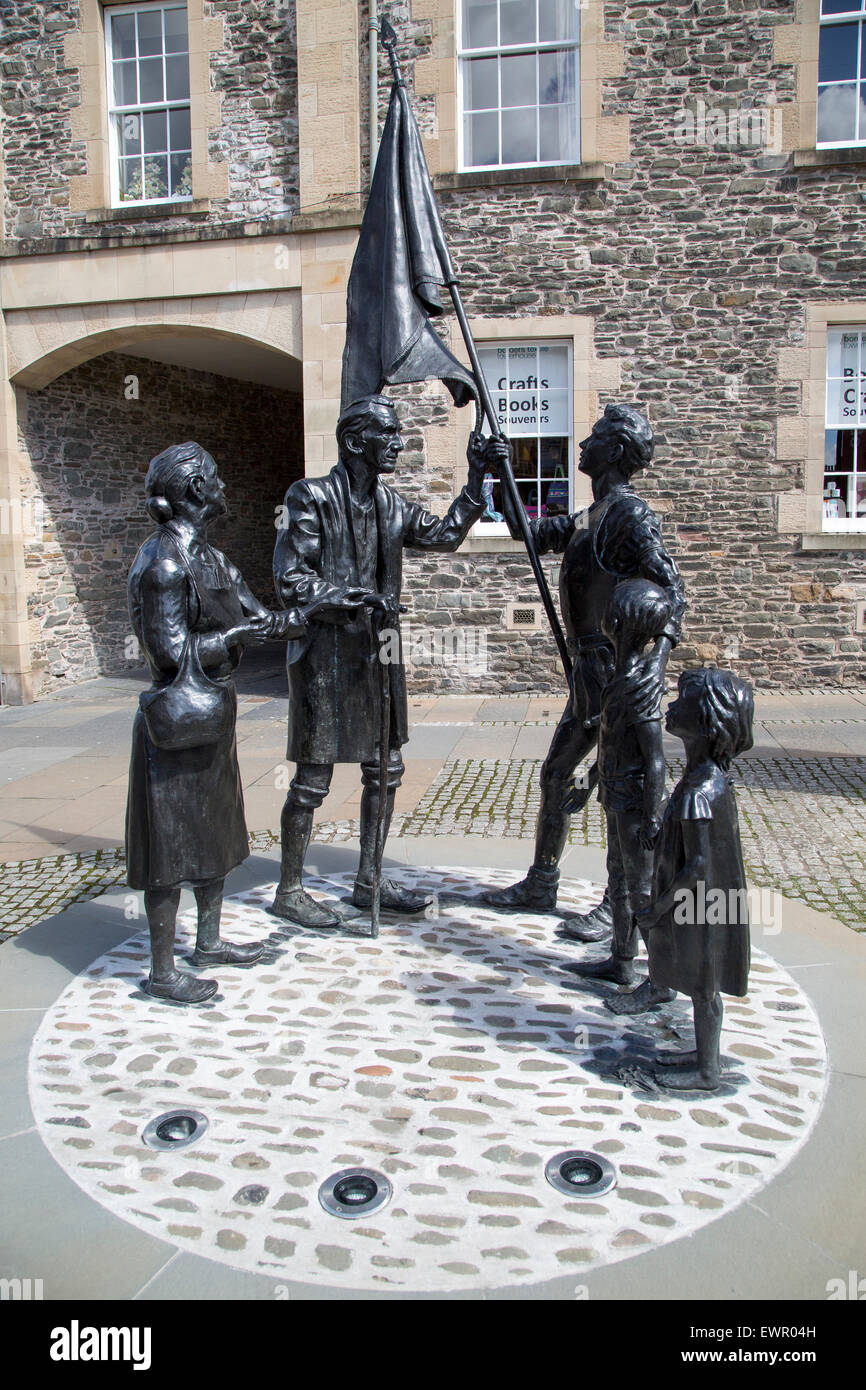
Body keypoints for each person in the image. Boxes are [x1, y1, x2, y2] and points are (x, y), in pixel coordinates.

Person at [271, 394, 506, 928]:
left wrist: (475, 478)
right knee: (312, 779)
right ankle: (290, 889)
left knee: (386, 769)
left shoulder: (391, 504)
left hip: (378, 656)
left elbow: (445, 536)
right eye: (389, 434)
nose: (399, 442)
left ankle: (370, 880)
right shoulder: (309, 497)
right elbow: (291, 579)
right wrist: (354, 598)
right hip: (325, 658)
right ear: (355, 442)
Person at [483, 404, 685, 936]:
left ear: (614, 452)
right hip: (586, 675)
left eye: (594, 436)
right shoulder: (591, 515)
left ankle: (616, 906)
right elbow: (529, 535)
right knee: (555, 773)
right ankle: (542, 882)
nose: (583, 442)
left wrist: (651, 663)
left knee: (617, 789)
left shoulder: (629, 516)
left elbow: (671, 589)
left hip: (612, 672)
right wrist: (500, 477)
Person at [126, 442, 312, 1004]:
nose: (226, 487)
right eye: (218, 477)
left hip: (213, 715)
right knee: (170, 844)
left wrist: (327, 605)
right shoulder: (162, 562)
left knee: (215, 828)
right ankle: (162, 972)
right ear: (197, 490)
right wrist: (234, 640)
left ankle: (208, 942)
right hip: (176, 724)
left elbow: (265, 618)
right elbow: (168, 652)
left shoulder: (210, 557)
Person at [637, 668, 754, 1090]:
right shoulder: (708, 781)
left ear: (705, 720)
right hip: (708, 901)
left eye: (681, 701)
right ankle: (704, 1057)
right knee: (704, 985)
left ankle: (707, 1070)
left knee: (704, 986)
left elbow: (698, 865)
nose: (669, 705)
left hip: (698, 905)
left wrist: (657, 908)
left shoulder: (696, 792)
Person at [570, 579, 677, 1015]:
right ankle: (621, 959)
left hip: (636, 804)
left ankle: (661, 980)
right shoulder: (621, 678)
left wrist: (653, 816)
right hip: (615, 798)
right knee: (617, 879)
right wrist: (585, 786)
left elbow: (655, 760)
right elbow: (609, 745)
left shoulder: (640, 688)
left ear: (619, 623)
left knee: (642, 891)